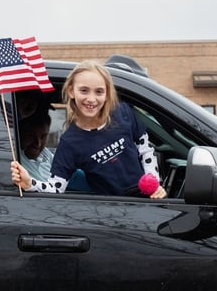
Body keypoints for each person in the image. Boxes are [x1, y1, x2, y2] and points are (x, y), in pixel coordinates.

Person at [11, 60, 166, 199]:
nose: (91, 99)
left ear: (107, 94)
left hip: (149, 199)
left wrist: (154, 181)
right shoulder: (69, 143)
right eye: (84, 90)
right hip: (117, 210)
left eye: (99, 91)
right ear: (71, 91)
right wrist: (29, 183)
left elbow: (145, 149)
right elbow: (56, 188)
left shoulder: (122, 112)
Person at [18, 110, 54, 181]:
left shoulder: (46, 153)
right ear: (19, 134)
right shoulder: (14, 156)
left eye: (43, 136)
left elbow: (69, 174)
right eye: (31, 136)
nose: (38, 144)